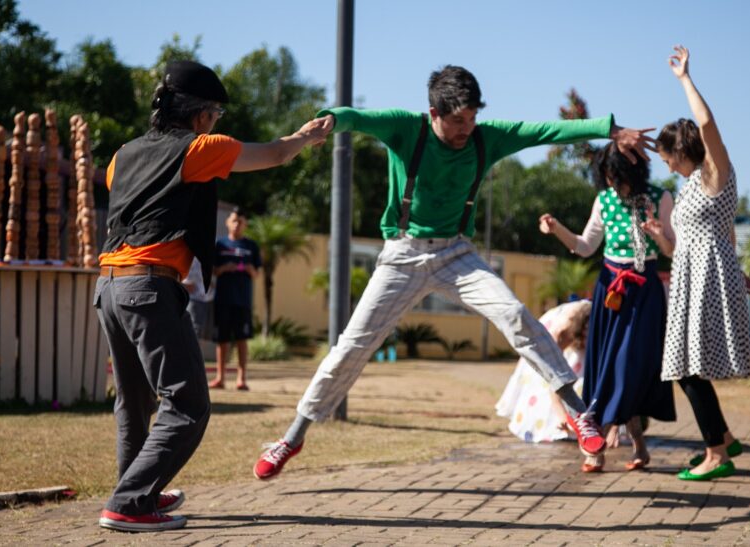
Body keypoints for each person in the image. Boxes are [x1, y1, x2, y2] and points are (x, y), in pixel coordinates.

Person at [253, 64, 655, 480]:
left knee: (516, 315)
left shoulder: (486, 137)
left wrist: (612, 130)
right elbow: (354, 118)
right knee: (351, 347)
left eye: (472, 118)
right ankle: (292, 436)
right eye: (458, 120)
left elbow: (546, 131)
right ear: (434, 113)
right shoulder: (406, 129)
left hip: (456, 255)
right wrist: (327, 123)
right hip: (402, 255)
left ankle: (578, 414)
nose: (467, 128)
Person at [94, 60, 330, 532]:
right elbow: (275, 154)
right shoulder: (201, 148)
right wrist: (306, 137)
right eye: (217, 114)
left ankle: (138, 491)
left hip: (109, 287)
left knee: (135, 403)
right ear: (202, 115)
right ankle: (128, 502)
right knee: (188, 405)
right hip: (148, 287)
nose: (218, 123)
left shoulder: (123, 154)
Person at [641, 46, 750, 481]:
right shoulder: (691, 186)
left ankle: (716, 453)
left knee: (686, 367)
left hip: (707, 280)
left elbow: (707, 125)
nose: (665, 163)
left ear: (680, 149)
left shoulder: (714, 171)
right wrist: (661, 238)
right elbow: (704, 237)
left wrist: (684, 79)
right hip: (697, 276)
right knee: (686, 365)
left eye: (667, 156)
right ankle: (722, 439)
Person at [538, 142, 676, 473]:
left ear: (635, 170)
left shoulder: (661, 197)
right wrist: (556, 230)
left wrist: (657, 235)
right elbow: (585, 247)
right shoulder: (604, 200)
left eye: (618, 174)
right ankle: (630, 447)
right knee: (606, 367)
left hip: (644, 291)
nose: (613, 181)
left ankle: (603, 441)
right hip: (610, 288)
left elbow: (672, 249)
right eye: (608, 175)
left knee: (628, 365)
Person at [495, 299, 592, 443]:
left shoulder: (602, 328)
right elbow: (554, 376)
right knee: (558, 376)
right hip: (562, 334)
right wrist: (562, 416)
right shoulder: (564, 330)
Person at [209, 209, 261, 391]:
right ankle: (220, 377)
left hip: (242, 300)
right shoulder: (219, 245)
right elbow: (213, 271)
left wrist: (248, 269)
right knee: (222, 340)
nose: (237, 224)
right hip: (223, 298)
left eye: (240, 221)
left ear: (245, 224)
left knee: (242, 339)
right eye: (234, 221)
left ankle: (241, 378)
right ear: (227, 223)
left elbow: (257, 274)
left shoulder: (252, 246)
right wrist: (224, 268)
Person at [182, 257, 214, 339]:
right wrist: (182, 284)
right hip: (193, 299)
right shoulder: (185, 248)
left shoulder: (209, 249)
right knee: (194, 334)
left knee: (203, 335)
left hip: (208, 298)